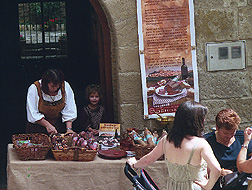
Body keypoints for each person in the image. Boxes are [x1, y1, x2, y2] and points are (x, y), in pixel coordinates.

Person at [127, 101, 221, 190]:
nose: (204, 120)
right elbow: (216, 169)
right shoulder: (201, 144)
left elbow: (147, 160)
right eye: (202, 117)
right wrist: (208, 186)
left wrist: (134, 164)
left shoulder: (166, 140)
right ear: (195, 121)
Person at [204, 108, 252, 190]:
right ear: (217, 128)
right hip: (219, 186)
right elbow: (202, 167)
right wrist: (221, 172)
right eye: (225, 133)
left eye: (233, 131)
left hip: (242, 185)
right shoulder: (207, 141)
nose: (229, 136)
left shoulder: (244, 138)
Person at [26, 68, 77, 134]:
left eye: (58, 86)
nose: (56, 88)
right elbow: (32, 113)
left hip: (57, 125)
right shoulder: (34, 88)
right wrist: (48, 125)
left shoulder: (65, 86)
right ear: (46, 83)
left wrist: (69, 129)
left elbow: (69, 108)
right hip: (37, 128)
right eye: (53, 86)